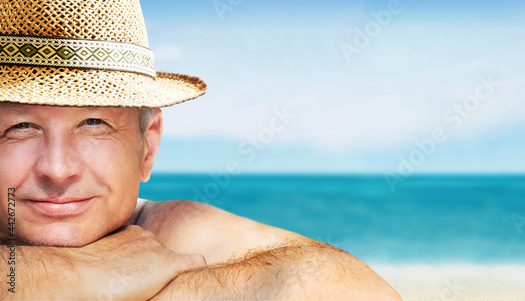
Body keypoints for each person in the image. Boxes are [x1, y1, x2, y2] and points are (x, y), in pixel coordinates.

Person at [0, 0, 400, 299]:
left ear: (147, 147)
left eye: (94, 124)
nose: (57, 168)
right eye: (21, 127)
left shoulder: (172, 234)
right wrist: (75, 274)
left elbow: (347, 289)